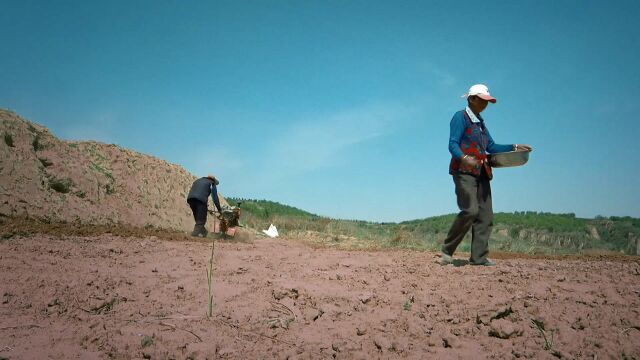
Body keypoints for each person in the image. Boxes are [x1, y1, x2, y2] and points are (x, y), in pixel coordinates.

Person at [442, 84, 532, 266]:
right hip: (463, 171)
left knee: (485, 216)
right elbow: (452, 144)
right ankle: (447, 251)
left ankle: (478, 257)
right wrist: (464, 157)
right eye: (482, 100)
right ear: (472, 99)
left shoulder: (481, 124)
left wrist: (514, 147)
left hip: (482, 172)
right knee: (470, 210)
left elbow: (491, 146)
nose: (485, 104)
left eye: (487, 101)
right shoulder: (460, 117)